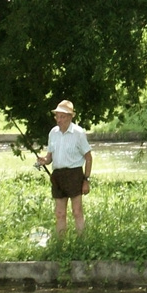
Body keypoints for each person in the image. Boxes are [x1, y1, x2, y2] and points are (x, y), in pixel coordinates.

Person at [36, 100, 92, 237]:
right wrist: (43, 160)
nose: (59, 120)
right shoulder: (53, 133)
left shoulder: (78, 133)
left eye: (62, 116)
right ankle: (60, 244)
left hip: (74, 174)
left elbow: (89, 158)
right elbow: (49, 157)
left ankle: (82, 241)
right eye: (57, 116)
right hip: (58, 175)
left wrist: (86, 180)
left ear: (70, 117)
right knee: (60, 213)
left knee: (77, 211)